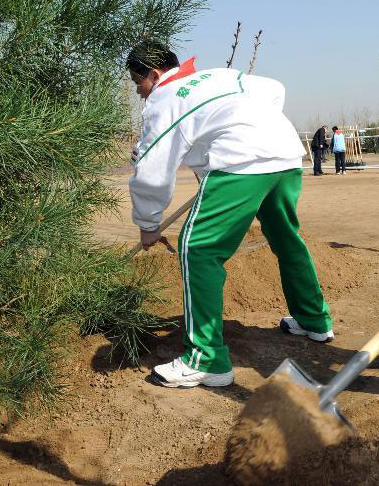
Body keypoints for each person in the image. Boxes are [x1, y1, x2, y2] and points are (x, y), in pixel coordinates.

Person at [127, 41, 334, 388]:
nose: (141, 93)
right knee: (285, 237)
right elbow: (274, 89)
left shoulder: (165, 97)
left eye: (138, 84)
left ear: (155, 74)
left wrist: (148, 224)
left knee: (199, 250)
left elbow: (152, 167)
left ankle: (205, 359)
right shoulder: (217, 76)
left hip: (240, 163)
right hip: (283, 155)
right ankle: (314, 320)